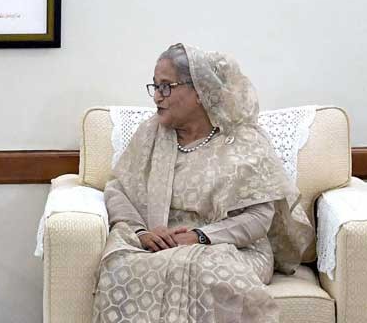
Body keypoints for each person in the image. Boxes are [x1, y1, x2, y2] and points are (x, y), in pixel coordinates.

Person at [93, 43, 314, 322]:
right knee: (119, 268)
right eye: (155, 86)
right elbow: (118, 188)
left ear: (198, 90)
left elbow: (259, 218)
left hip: (230, 249)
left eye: (166, 86)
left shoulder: (244, 141)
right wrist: (141, 232)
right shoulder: (151, 133)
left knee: (204, 270)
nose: (157, 97)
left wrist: (200, 237)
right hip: (159, 243)